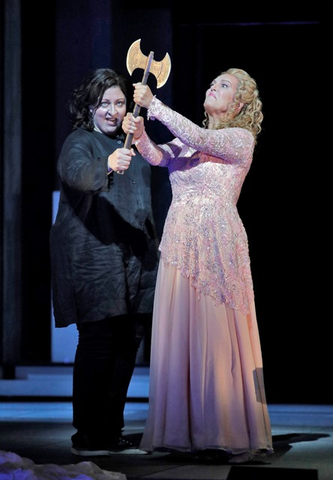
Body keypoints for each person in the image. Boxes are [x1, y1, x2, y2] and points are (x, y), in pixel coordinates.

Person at [122, 68, 274, 463]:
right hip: (180, 242)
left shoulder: (240, 140)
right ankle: (180, 431)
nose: (213, 86)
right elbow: (160, 157)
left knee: (215, 333)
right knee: (181, 333)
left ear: (238, 104)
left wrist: (154, 105)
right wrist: (139, 134)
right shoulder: (187, 142)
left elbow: (203, 137)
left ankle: (220, 428)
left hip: (216, 243)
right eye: (212, 81)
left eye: (224, 85)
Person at [50, 68, 159, 456]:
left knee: (127, 346)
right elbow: (78, 176)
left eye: (119, 103)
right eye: (104, 104)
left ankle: (110, 430)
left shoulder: (134, 143)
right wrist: (108, 163)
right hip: (94, 259)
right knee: (98, 343)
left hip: (133, 261)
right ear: (90, 107)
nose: (113, 111)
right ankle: (87, 432)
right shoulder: (80, 141)